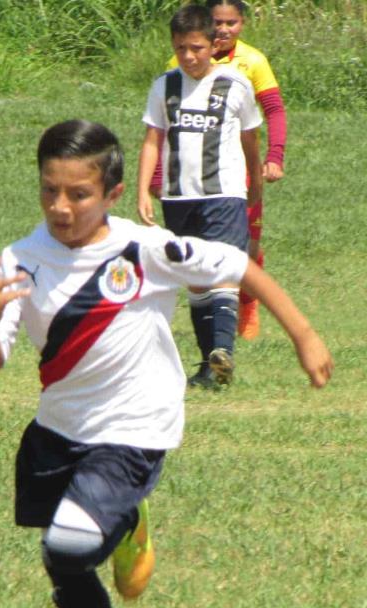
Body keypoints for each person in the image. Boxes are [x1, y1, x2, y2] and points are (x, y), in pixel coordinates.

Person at [0, 119, 332, 608]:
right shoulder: (19, 260)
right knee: (64, 562)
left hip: (136, 426)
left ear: (112, 193)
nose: (61, 207)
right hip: (59, 428)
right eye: (48, 191)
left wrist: (303, 334)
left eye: (78, 194)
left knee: (66, 545)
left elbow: (239, 266)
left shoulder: (145, 248)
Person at [138, 3, 263, 390]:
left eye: (196, 48)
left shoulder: (235, 85)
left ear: (214, 44)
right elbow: (153, 139)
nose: (189, 56)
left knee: (223, 271)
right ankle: (210, 367)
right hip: (178, 197)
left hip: (224, 193)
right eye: (181, 49)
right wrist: (143, 189)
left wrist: (255, 184)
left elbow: (250, 139)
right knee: (195, 279)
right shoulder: (164, 86)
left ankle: (223, 349)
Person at [154, 0, 288, 341]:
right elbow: (165, 126)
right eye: (220, 22)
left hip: (236, 169)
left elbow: (272, 110)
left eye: (232, 23)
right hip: (190, 176)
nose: (226, 29)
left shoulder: (253, 61)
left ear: (242, 24)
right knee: (200, 258)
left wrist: (274, 156)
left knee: (246, 248)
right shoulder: (181, 62)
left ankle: (247, 309)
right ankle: (217, 333)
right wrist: (158, 175)